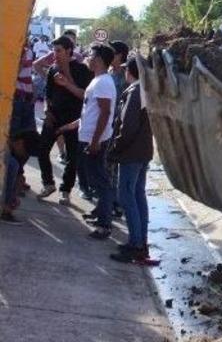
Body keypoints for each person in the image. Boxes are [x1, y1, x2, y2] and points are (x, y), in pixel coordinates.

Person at [57, 44, 117, 238]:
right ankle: (100, 213)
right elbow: (90, 111)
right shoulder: (97, 81)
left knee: (100, 182)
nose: (87, 58)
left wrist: (95, 141)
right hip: (89, 137)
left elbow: (105, 112)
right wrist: (71, 126)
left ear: (99, 60)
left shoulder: (103, 83)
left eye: (91, 55)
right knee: (95, 179)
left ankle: (104, 225)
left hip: (94, 140)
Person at [36, 36, 93, 204]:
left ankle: (65, 191)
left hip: (74, 120)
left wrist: (66, 79)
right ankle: (48, 184)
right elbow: (48, 94)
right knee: (41, 151)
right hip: (54, 118)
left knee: (72, 157)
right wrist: (47, 111)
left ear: (69, 51)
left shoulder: (82, 70)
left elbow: (84, 95)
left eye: (58, 51)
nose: (55, 54)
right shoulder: (53, 69)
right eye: (54, 50)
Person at [108, 58, 153, 262]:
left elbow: (127, 127)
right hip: (143, 152)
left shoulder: (134, 92)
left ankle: (135, 244)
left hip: (131, 153)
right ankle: (140, 242)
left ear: (130, 72)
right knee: (138, 196)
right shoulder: (146, 90)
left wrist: (115, 149)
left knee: (126, 196)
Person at [2, 46, 39, 224]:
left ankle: (8, 201)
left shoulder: (26, 49)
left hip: (23, 99)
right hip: (16, 99)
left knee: (14, 163)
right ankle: (6, 207)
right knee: (12, 164)